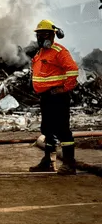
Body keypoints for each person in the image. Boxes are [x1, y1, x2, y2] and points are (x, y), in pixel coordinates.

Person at [29, 19, 79, 175]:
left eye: (44, 34)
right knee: (48, 129)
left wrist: (64, 88)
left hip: (58, 97)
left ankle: (69, 163)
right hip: (46, 97)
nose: (41, 38)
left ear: (53, 35)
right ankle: (48, 162)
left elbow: (73, 70)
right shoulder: (41, 53)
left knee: (62, 130)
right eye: (39, 34)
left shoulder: (59, 51)